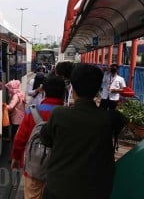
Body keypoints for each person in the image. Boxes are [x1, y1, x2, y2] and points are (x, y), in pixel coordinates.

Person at [40, 63, 127, 199]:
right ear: (98, 89)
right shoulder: (109, 119)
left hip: (59, 189)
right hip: (95, 191)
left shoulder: (59, 114)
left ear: (72, 87)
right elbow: (121, 120)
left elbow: (45, 139)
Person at [11, 76, 66, 199]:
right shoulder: (68, 115)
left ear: (44, 91)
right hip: (58, 170)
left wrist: (15, 157)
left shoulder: (32, 112)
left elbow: (20, 139)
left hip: (33, 168)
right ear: (63, 93)